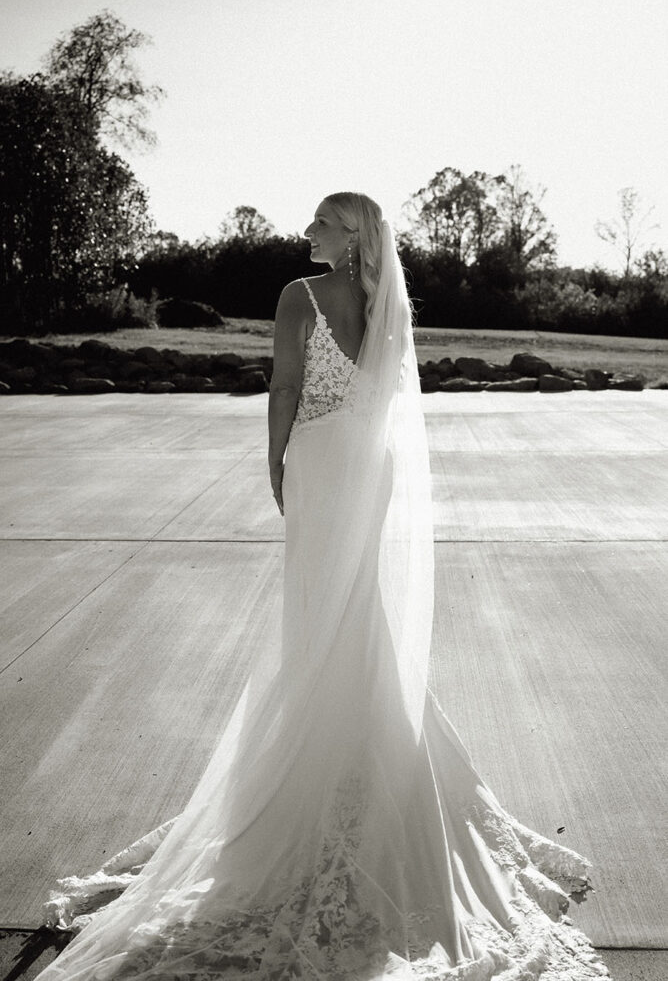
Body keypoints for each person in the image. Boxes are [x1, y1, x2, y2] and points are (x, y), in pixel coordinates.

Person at [35, 192, 609, 980]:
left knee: (316, 612)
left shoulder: (298, 295)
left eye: (318, 222)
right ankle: (366, 749)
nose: (305, 231)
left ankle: (317, 754)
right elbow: (392, 401)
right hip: (371, 467)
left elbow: (284, 390)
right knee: (360, 608)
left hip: (320, 462)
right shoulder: (389, 304)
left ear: (346, 237)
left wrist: (273, 462)